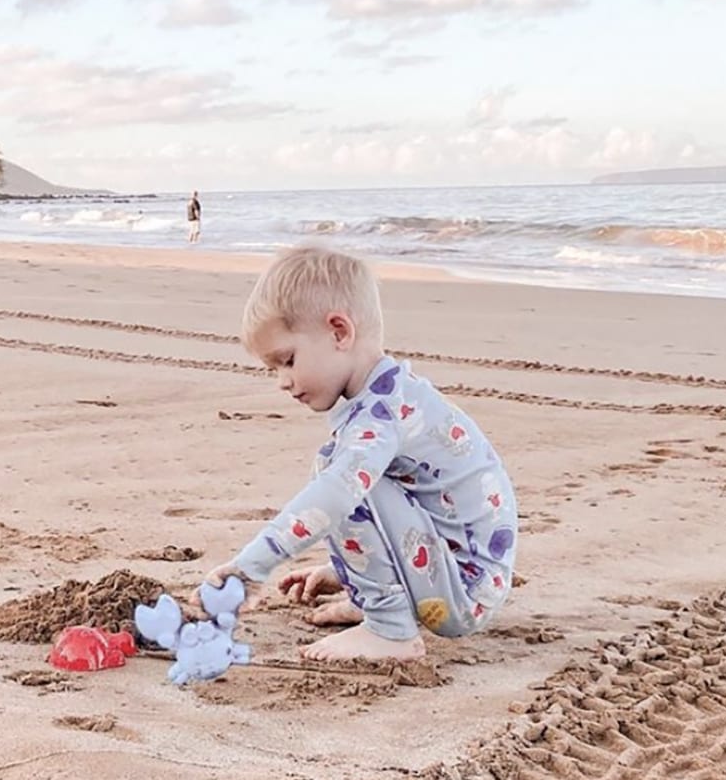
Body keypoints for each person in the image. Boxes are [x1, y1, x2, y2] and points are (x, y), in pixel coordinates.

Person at [205, 246, 516, 664]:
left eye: (287, 360)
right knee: (343, 469)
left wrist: (252, 567)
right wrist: (351, 571)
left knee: (343, 480)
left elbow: (334, 497)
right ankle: (383, 601)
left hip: (465, 590)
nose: (282, 381)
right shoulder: (391, 395)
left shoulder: (381, 415)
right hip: (458, 575)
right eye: (273, 369)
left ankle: (390, 631)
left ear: (339, 332)